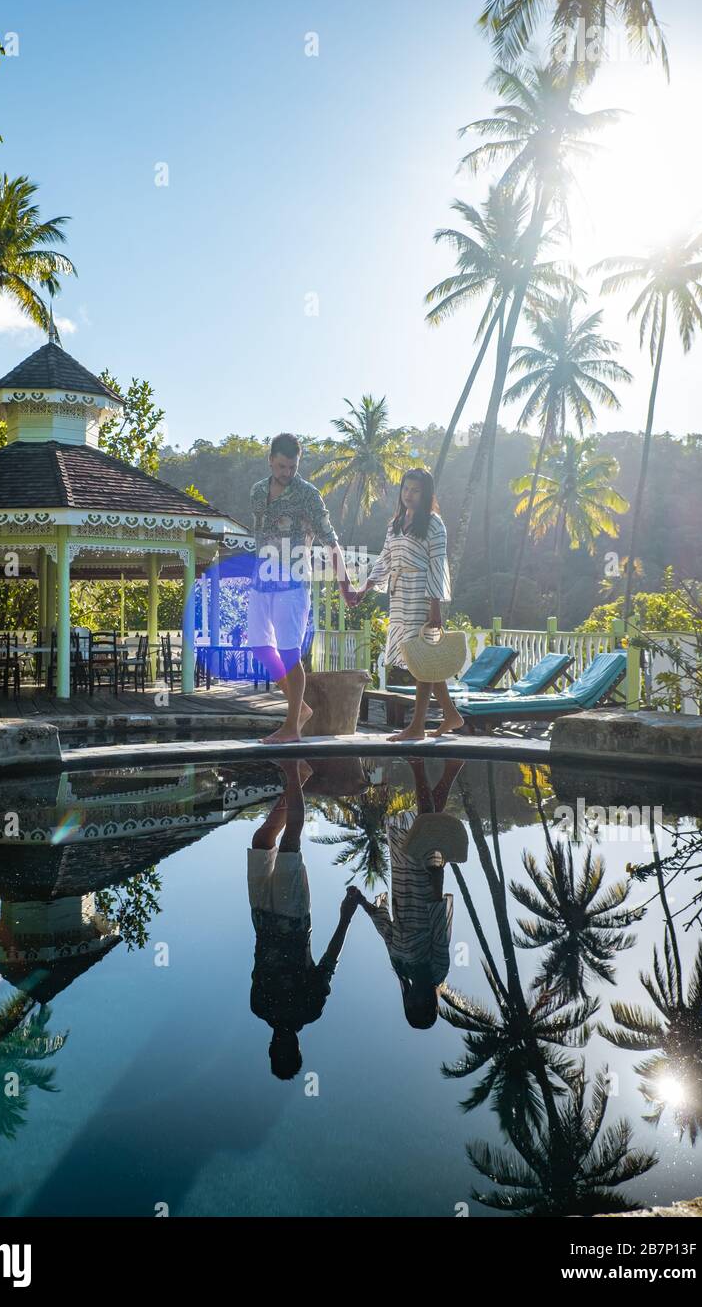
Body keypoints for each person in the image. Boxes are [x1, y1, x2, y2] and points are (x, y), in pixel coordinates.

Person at [247, 759, 361, 1079]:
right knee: (289, 843)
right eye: (289, 1051)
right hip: (293, 918)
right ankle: (292, 770)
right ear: (297, 1047)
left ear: (270, 1049)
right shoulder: (308, 1010)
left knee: (261, 840)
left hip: (261, 917)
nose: (282, 1045)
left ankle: (300, 777)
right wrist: (345, 917)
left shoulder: (259, 1007)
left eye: (277, 1051)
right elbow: (328, 962)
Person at [248, 432, 352, 743]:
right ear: (270, 461)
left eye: (292, 467)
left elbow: (330, 541)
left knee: (289, 652)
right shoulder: (256, 492)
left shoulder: (308, 495)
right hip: (261, 578)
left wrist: (344, 583)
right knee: (259, 646)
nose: (287, 473)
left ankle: (292, 726)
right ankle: (301, 707)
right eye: (281, 466)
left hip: (292, 581)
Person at [348, 467, 464, 740]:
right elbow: (385, 561)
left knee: (421, 659)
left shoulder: (434, 524)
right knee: (421, 657)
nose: (409, 494)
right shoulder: (396, 524)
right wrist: (364, 587)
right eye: (405, 489)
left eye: (415, 490)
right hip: (399, 595)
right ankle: (451, 714)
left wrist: (435, 606)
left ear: (425, 494)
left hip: (422, 594)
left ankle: (417, 726)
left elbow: (437, 564)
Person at [350, 757, 464, 1029]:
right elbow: (439, 934)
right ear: (431, 1005)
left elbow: (386, 930)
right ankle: (418, 766)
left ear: (408, 1003)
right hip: (425, 891)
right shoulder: (437, 970)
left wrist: (361, 902)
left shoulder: (401, 966)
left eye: (412, 1006)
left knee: (420, 827)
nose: (417, 1001)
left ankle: (451, 768)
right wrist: (437, 884)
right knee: (426, 828)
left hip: (402, 884)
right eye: (424, 1007)